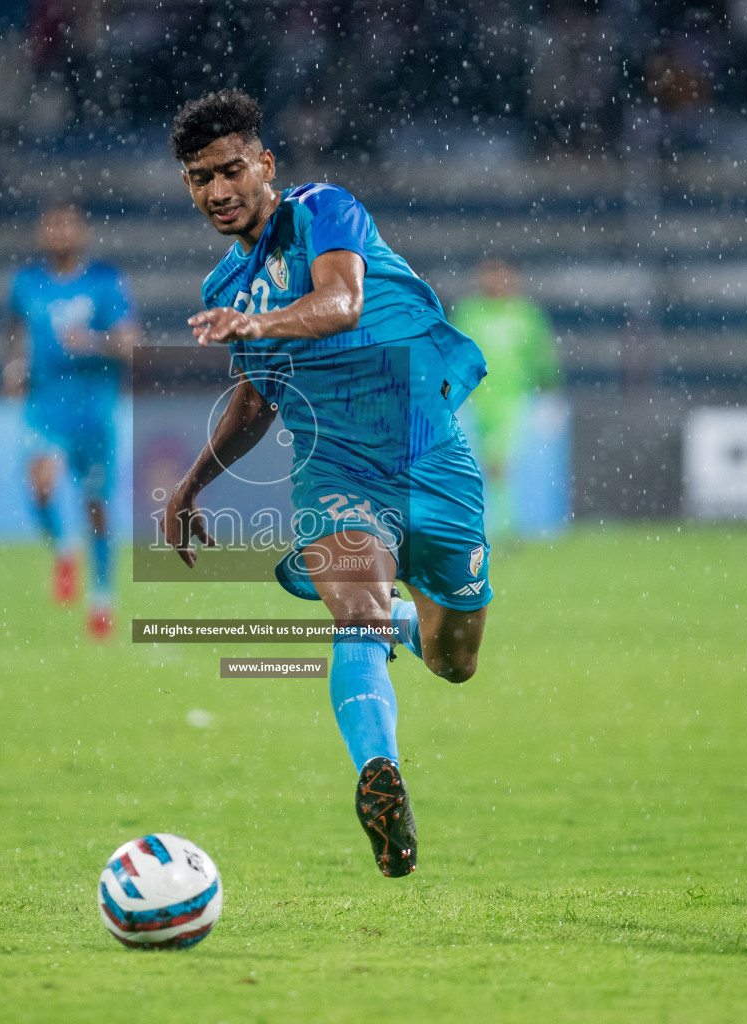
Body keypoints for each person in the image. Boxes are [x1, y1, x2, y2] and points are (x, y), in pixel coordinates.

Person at [163, 90, 491, 878]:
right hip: (335, 470)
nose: (217, 192)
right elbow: (259, 398)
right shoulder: (223, 288)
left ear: (265, 165)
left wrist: (259, 324)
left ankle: (415, 625)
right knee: (358, 617)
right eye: (199, 179)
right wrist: (190, 486)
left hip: (430, 460)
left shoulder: (323, 211)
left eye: (230, 170)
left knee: (456, 663)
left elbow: (342, 304)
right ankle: (379, 776)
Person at [2, 201, 141, 641]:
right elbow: (16, 330)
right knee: (40, 482)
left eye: (68, 225)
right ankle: (64, 547)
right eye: (52, 225)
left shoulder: (105, 281)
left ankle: (101, 600)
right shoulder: (27, 283)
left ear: (82, 232)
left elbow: (132, 344)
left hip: (95, 409)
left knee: (96, 507)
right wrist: (15, 364)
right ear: (42, 234)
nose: (60, 233)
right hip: (46, 405)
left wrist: (95, 341)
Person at [451, 258, 561, 523]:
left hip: (515, 399)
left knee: (503, 463)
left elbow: (543, 358)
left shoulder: (527, 315)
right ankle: (492, 524)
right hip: (477, 400)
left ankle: (505, 523)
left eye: (501, 275)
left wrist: (550, 393)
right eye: (490, 274)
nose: (495, 281)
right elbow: (453, 353)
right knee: (482, 465)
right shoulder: (469, 313)